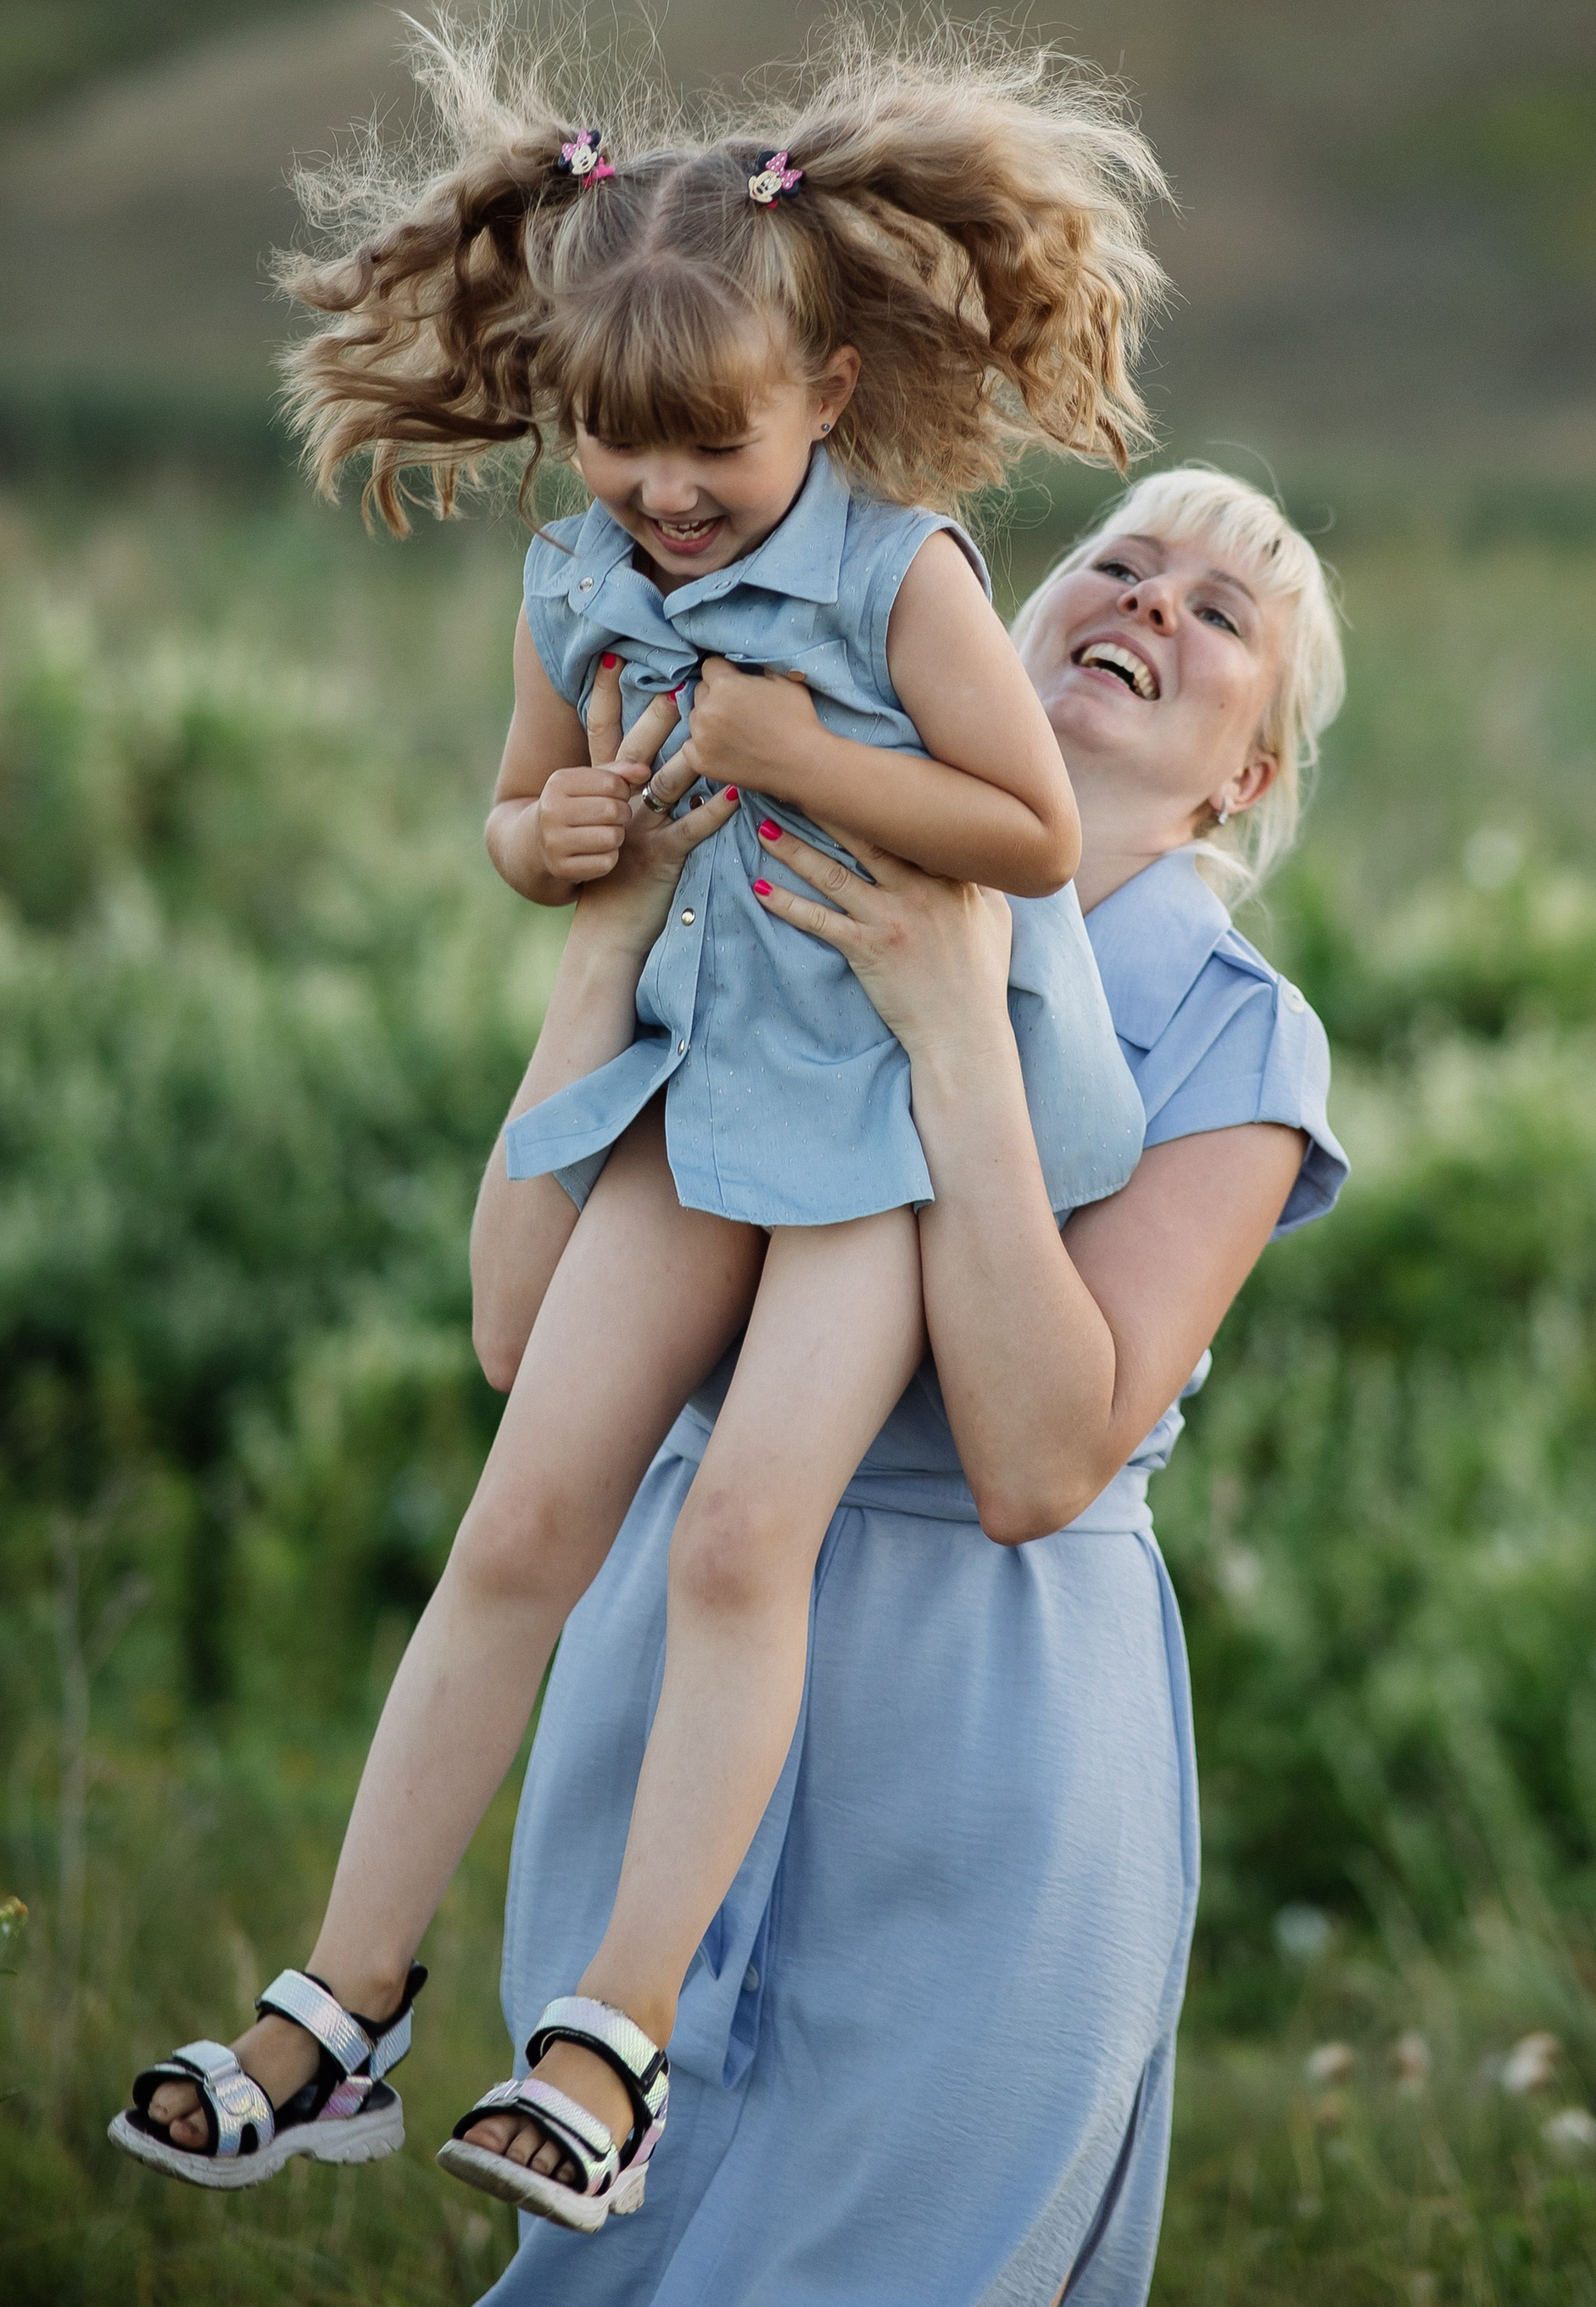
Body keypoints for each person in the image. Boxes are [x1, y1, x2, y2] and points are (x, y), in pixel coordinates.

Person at [110, 20, 1165, 2224]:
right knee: (520, 1520)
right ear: (560, 411)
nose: (663, 494)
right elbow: (516, 818)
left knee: (735, 1539)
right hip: (697, 1099)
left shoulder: (901, 574)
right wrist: (555, 837)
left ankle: (614, 2031)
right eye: (613, 446)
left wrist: (797, 751)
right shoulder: (574, 581)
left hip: (875, 1129)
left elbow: (1033, 833)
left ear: (828, 393)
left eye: (712, 449)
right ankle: (338, 2007)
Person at [469, 462, 1349, 2304]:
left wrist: (958, 1026)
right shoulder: (759, 854)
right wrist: (609, 933)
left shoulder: (1234, 1036)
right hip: (664, 1689)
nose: (1149, 603)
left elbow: (1035, 1460)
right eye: (1118, 562)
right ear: (984, 633)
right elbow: (521, 1342)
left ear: (1244, 780)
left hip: (977, 1738)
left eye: (1219, 614)